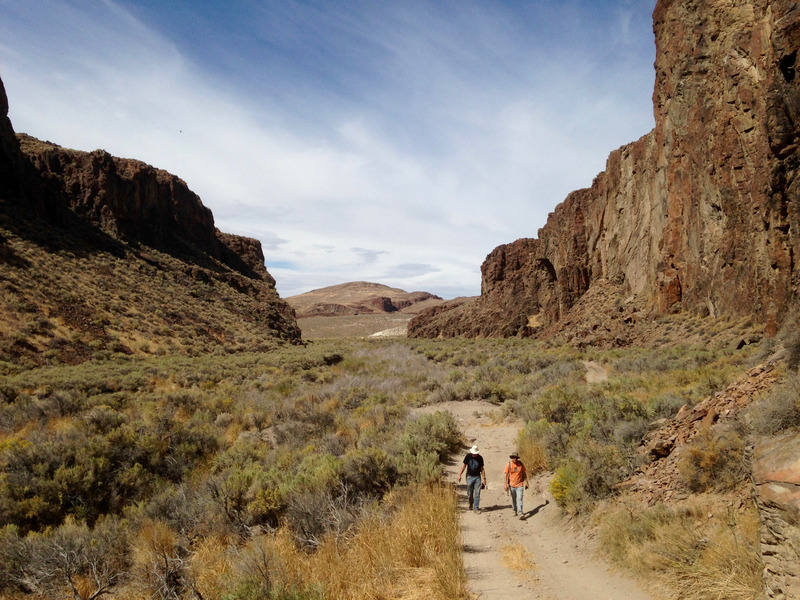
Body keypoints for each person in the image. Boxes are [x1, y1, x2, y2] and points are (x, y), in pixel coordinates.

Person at [457, 445, 486, 512]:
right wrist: (460, 475)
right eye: (474, 453)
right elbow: (464, 466)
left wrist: (484, 479)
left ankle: (476, 508)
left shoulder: (480, 458)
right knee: (470, 493)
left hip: (477, 477)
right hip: (469, 477)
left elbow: (482, 469)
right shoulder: (468, 457)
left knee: (477, 493)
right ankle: (470, 503)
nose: (475, 455)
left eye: (476, 453)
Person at [504, 452, 529, 519]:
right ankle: (514, 510)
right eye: (513, 457)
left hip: (520, 484)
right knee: (513, 499)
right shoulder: (509, 465)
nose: (515, 459)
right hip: (512, 485)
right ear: (511, 458)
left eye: (516, 457)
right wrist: (505, 485)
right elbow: (506, 475)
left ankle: (520, 512)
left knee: (519, 498)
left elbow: (524, 473)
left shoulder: (520, 464)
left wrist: (527, 482)